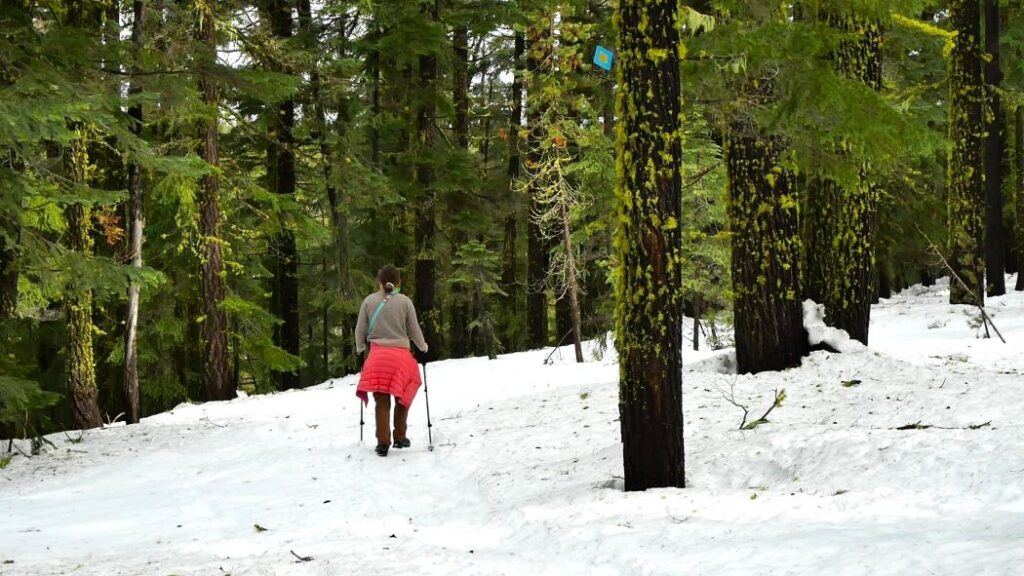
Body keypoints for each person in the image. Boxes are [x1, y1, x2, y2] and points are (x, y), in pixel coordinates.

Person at [354, 265, 428, 457]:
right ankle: (401, 436)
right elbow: (414, 330)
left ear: (379, 282)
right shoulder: (405, 302)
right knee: (403, 397)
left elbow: (359, 330)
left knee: (381, 400)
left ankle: (383, 442)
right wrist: (423, 347)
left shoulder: (368, 301)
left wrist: (361, 348)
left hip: (377, 358)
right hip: (401, 358)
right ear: (398, 283)